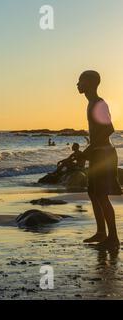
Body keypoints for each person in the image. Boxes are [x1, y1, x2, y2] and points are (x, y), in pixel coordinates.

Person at [77, 71, 121, 249]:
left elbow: (109, 128)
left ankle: (113, 238)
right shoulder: (91, 103)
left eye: (80, 81)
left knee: (101, 195)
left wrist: (88, 150)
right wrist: (88, 151)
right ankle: (101, 232)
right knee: (93, 192)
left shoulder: (98, 103)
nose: (77, 84)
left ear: (89, 83)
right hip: (97, 154)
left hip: (104, 155)